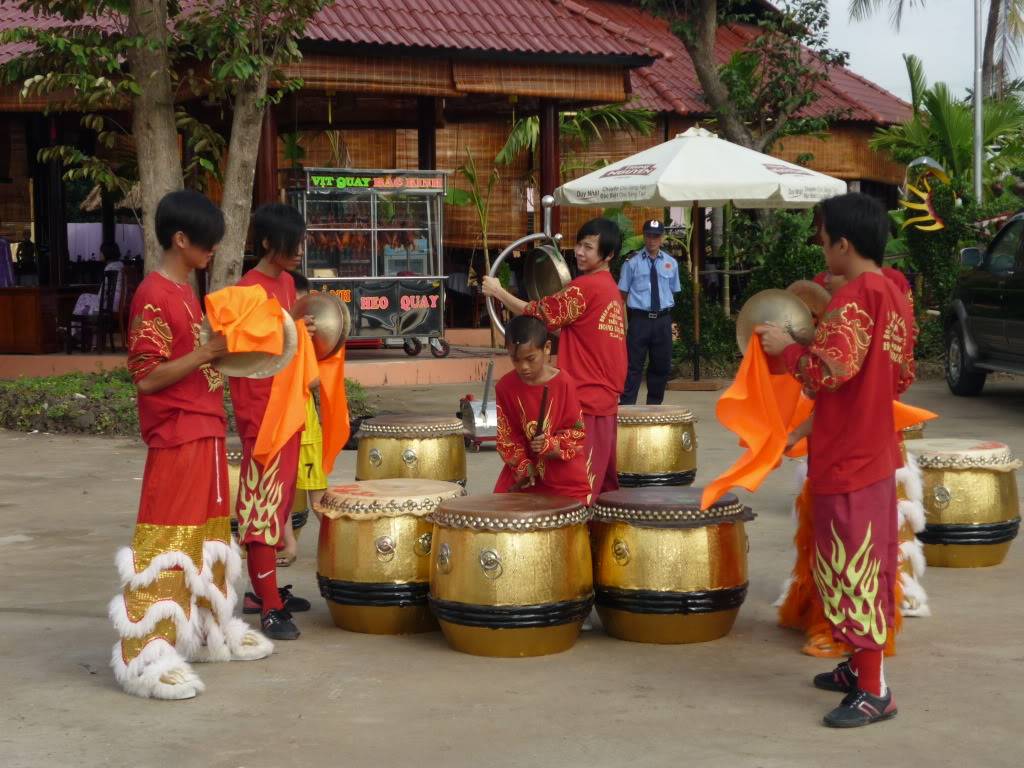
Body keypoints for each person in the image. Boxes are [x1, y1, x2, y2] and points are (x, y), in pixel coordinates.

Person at [758, 192, 916, 728]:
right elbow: (896, 377)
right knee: (860, 563)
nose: (821, 249)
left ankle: (874, 690)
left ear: (843, 244)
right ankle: (857, 667)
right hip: (870, 449)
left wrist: (786, 346)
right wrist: (803, 429)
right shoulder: (894, 294)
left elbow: (828, 373)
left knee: (854, 569)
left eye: (823, 240)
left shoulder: (853, 299)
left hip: (849, 459)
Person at [109, 190, 272, 700]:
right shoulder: (153, 294)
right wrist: (207, 351)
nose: (212, 252)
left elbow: (206, 359)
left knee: (206, 541)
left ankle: (205, 631)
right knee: (167, 542)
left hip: (203, 428)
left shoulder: (186, 290)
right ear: (180, 239)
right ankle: (145, 655)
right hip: (176, 433)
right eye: (206, 244)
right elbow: (148, 378)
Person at [483, 218, 627, 498]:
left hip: (586, 397)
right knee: (599, 489)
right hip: (604, 398)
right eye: (579, 244)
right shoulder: (611, 290)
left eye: (588, 247)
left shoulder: (586, 288)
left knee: (571, 490)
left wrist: (498, 292)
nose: (580, 252)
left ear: (608, 255)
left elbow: (539, 315)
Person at [230, 203, 314, 641]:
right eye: (291, 242)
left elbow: (287, 347)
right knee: (262, 510)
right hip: (264, 416)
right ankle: (270, 608)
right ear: (266, 243)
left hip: (288, 410)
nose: (299, 249)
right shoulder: (248, 290)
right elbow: (246, 368)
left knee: (279, 507)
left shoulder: (283, 283)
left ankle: (262, 594)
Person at [494, 315, 592, 506]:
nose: (523, 367)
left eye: (530, 359)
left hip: (562, 474)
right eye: (515, 360)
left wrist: (550, 444)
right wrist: (523, 465)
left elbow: (577, 433)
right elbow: (507, 436)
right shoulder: (505, 387)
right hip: (525, 472)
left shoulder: (564, 383)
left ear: (547, 348)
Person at [618, 219, 681, 405]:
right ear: (644, 236)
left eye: (656, 236)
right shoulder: (632, 263)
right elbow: (622, 293)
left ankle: (654, 406)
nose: (652, 240)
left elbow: (673, 291)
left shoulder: (671, 263)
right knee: (633, 365)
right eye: (648, 235)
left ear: (662, 238)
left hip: (662, 320)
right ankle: (627, 406)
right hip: (639, 320)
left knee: (661, 365)